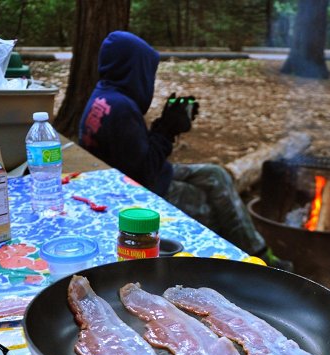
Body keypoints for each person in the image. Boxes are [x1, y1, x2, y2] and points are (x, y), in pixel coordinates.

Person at [79, 31, 291, 270]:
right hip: (137, 192)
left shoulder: (105, 96)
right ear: (133, 68)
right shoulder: (121, 109)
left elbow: (133, 154)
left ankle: (259, 252)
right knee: (211, 209)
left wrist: (163, 125)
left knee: (215, 174)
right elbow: (144, 172)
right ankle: (253, 264)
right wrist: (166, 131)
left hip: (134, 178)